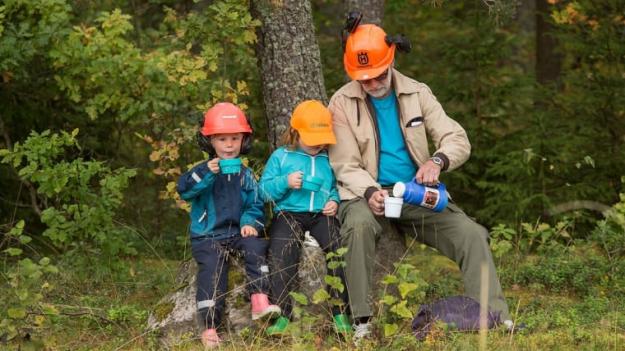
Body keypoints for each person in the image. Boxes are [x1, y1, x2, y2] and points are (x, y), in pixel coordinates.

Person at [328, 22, 513, 340]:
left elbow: (456, 138)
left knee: (471, 234)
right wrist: (370, 190)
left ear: (392, 60)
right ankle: (361, 322)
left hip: (413, 193)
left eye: (378, 75)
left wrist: (437, 160)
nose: (372, 83)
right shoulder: (341, 103)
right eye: (364, 78)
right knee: (357, 226)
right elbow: (344, 164)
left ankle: (493, 317)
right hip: (364, 193)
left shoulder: (418, 92)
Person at [177, 102, 281, 348]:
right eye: (222, 139)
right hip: (208, 236)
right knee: (212, 271)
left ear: (244, 141)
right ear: (209, 142)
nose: (229, 145)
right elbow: (185, 191)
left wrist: (249, 223)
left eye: (235, 138)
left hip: (236, 233)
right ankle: (210, 327)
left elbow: (254, 204)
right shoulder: (203, 170)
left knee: (256, 247)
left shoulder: (246, 174)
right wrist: (205, 172)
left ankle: (259, 299)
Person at [259, 100, 351, 336]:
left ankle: (340, 311)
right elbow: (263, 191)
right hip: (289, 213)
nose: (318, 144)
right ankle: (283, 314)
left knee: (337, 247)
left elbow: (333, 187)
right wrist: (285, 182)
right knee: (282, 251)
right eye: (312, 138)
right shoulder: (281, 156)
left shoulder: (326, 158)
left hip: (321, 215)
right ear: (296, 132)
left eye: (322, 138)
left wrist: (334, 201)